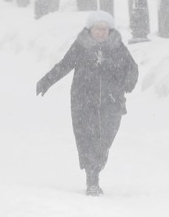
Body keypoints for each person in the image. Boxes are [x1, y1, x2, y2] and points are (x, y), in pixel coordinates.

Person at [35, 11, 139, 195]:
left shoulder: (117, 47)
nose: (101, 32)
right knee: (87, 140)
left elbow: (132, 68)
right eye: (98, 29)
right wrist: (46, 81)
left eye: (105, 29)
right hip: (84, 101)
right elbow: (64, 65)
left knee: (104, 140)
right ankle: (92, 179)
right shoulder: (81, 46)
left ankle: (96, 169)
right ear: (90, 29)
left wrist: (127, 84)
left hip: (111, 103)